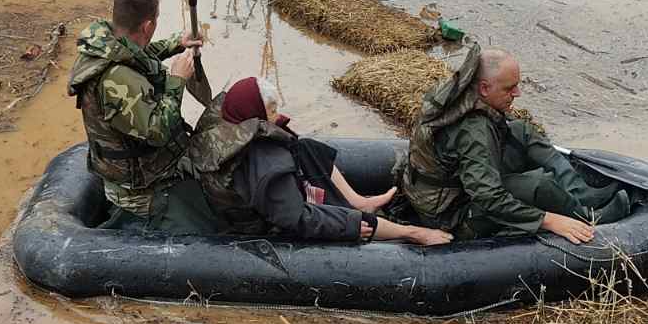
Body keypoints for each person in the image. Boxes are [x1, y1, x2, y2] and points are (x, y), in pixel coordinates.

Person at [397, 44, 631, 243]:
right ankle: (589, 219)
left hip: (455, 185)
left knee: (521, 131)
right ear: (484, 88)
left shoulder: (462, 95)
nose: (517, 93)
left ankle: (583, 196)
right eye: (509, 88)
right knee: (538, 184)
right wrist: (548, 220)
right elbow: (488, 197)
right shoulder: (473, 129)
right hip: (453, 215)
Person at [189, 77, 452, 247]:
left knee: (305, 147)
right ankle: (411, 233)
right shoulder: (266, 164)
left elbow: (277, 135)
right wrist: (348, 225)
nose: (277, 115)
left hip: (257, 200)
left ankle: (360, 201)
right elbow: (296, 218)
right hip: (259, 224)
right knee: (352, 221)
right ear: (256, 112)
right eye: (271, 110)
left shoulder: (229, 120)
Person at [67, 0, 213, 231]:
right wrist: (176, 82)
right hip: (141, 194)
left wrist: (176, 44)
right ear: (147, 26)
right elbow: (155, 132)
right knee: (211, 223)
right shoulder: (118, 80)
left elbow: (136, 55)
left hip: (135, 175)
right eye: (155, 21)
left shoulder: (107, 44)